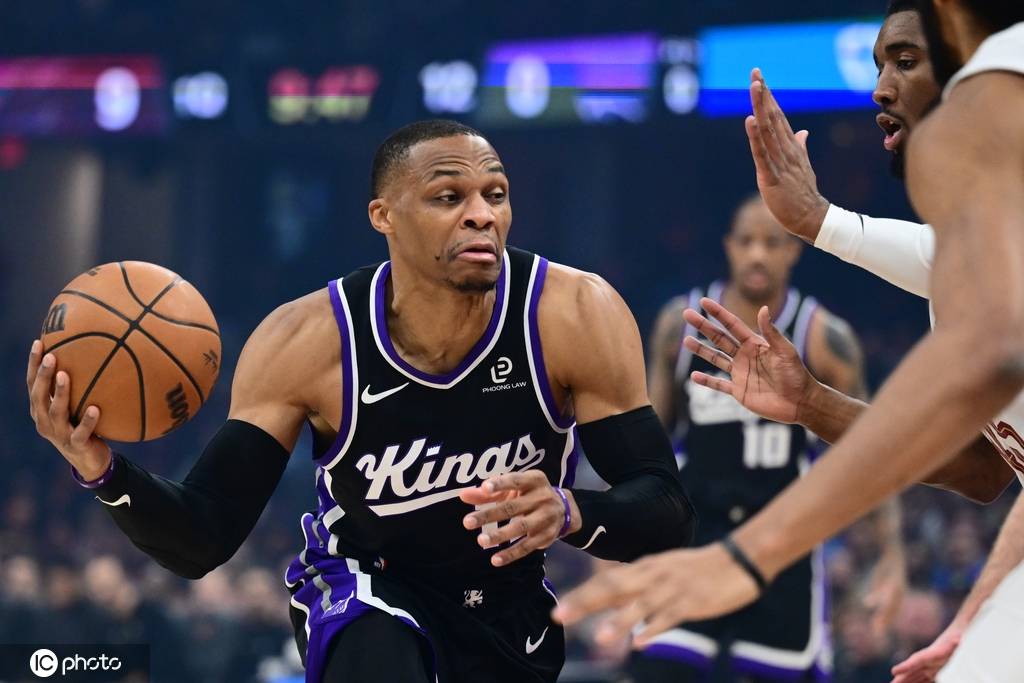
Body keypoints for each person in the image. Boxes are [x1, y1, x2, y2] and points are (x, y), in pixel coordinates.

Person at [26, 119, 697, 683]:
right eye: (448, 196)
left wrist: (571, 509)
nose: (481, 214)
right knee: (379, 643)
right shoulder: (306, 340)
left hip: (507, 604)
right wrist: (100, 469)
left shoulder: (573, 313)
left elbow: (667, 511)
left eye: (495, 194)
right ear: (384, 216)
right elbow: (204, 535)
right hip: (365, 585)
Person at [553, 4, 1024, 682]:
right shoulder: (683, 321)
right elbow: (988, 471)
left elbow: (989, 353)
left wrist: (752, 554)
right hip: (703, 529)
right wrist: (810, 402)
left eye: (907, 61)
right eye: (879, 65)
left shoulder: (994, 83)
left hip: (773, 565)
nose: (880, 90)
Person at [629, 194, 905, 682]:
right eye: (746, 241)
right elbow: (647, 448)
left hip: (783, 547)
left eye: (772, 243)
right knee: (658, 668)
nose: (757, 254)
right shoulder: (681, 325)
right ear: (728, 247)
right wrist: (621, 541)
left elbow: (870, 448)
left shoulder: (823, 336)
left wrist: (891, 555)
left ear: (793, 250)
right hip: (694, 537)